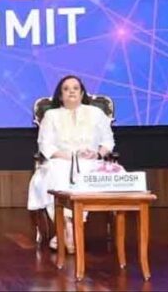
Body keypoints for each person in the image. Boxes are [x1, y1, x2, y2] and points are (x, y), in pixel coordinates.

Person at [27, 75, 114, 252]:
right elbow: (45, 145)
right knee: (56, 174)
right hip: (60, 160)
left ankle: (65, 233)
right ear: (60, 96)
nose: (71, 92)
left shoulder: (96, 114)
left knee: (85, 173)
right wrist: (69, 156)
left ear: (82, 93)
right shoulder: (51, 115)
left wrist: (97, 153)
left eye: (75, 88)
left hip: (90, 162)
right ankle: (69, 229)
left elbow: (108, 142)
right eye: (66, 89)